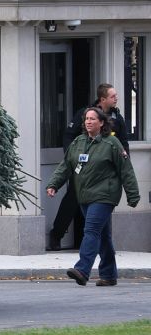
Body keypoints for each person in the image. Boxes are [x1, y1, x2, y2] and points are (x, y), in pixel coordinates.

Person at [46, 106, 140, 287]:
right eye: (86, 119)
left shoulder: (112, 143)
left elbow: (126, 170)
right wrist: (53, 185)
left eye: (92, 119)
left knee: (91, 230)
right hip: (85, 196)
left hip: (105, 195)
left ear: (102, 122)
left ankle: (82, 269)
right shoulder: (78, 143)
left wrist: (132, 195)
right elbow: (65, 166)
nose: (88, 122)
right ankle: (109, 274)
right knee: (103, 236)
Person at [49, 83, 130, 250]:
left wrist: (124, 161)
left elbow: (123, 144)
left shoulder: (117, 118)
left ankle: (94, 244)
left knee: (101, 204)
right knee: (72, 201)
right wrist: (73, 158)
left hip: (104, 172)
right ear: (103, 99)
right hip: (82, 168)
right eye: (113, 96)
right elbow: (69, 137)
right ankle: (56, 235)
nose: (117, 98)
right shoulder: (86, 114)